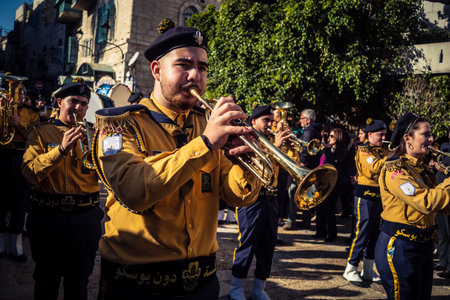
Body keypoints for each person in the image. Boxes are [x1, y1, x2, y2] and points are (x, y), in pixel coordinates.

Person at [93, 19, 262, 299]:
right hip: (138, 288)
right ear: (157, 71)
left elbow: (236, 196)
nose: (196, 75)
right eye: (184, 65)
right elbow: (134, 191)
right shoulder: (122, 125)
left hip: (203, 284)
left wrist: (248, 163)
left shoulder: (205, 124)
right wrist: (206, 143)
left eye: (203, 67)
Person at [22, 82, 103, 300]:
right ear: (59, 103)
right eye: (73, 101)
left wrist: (102, 151)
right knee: (46, 281)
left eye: (84, 104)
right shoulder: (40, 131)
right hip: (48, 217)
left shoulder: (95, 134)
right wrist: (60, 150)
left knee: (78, 283)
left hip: (85, 217)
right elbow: (30, 172)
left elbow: (109, 176)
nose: (78, 107)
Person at [374, 113, 450, 300]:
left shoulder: (421, 168)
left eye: (430, 134)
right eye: (426, 134)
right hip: (401, 247)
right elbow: (425, 202)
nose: (431, 139)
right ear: (408, 138)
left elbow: (438, 207)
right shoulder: (395, 169)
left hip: (423, 246)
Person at [229, 105, 292, 300]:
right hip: (251, 199)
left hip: (270, 199)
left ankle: (259, 289)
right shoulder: (244, 139)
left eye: (271, 121)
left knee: (268, 245)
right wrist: (274, 148)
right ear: (253, 121)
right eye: (266, 121)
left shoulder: (271, 141)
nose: (270, 125)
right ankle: (236, 287)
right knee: (247, 243)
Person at [343, 118, 389, 286]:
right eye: (380, 135)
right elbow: (375, 167)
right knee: (361, 232)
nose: (383, 138)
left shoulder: (382, 150)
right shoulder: (364, 151)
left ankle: (368, 270)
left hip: (379, 197)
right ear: (369, 135)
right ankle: (350, 268)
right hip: (366, 196)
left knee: (374, 235)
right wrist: (394, 157)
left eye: (384, 134)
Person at [0, 82, 39, 262]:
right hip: (1, 156)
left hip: (19, 156)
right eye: (17, 90)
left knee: (19, 201)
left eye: (22, 90)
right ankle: (1, 243)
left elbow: (34, 135)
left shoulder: (31, 114)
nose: (20, 94)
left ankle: (16, 246)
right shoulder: (2, 107)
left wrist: (19, 125)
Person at [284, 108, 321, 230]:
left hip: (305, 167)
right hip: (312, 166)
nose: (300, 121)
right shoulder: (315, 130)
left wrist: (302, 163)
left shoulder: (309, 131)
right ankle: (306, 220)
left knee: (293, 191)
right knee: (307, 193)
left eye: (301, 119)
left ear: (308, 120)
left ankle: (291, 220)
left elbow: (305, 149)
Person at [314, 127, 348, 242]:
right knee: (320, 207)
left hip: (335, 183)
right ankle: (320, 231)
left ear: (338, 137)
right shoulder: (329, 150)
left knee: (329, 209)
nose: (329, 138)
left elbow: (335, 163)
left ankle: (331, 235)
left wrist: (327, 150)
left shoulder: (342, 150)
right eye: (329, 136)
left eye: (332, 136)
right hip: (323, 180)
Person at [434, 131, 450, 278]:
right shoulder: (445, 147)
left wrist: (442, 168)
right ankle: (443, 261)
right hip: (439, 195)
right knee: (442, 232)